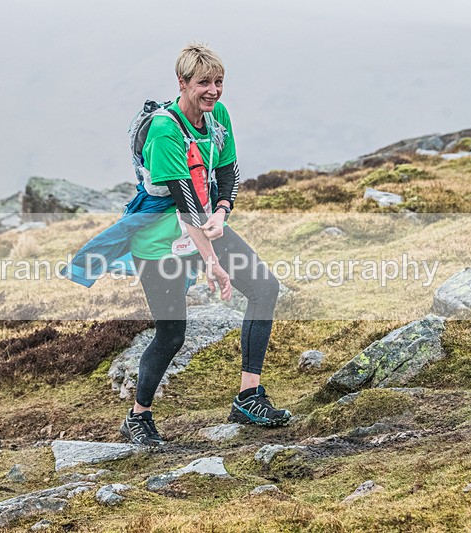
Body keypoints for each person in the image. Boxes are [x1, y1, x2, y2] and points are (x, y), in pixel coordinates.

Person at [120, 43, 291, 447]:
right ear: (182, 83)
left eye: (218, 82)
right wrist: (212, 262)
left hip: (202, 224)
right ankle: (138, 417)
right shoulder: (165, 130)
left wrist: (223, 211)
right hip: (159, 239)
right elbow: (183, 203)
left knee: (265, 288)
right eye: (203, 84)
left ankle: (249, 397)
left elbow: (229, 170)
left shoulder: (217, 116)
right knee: (171, 333)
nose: (213, 91)